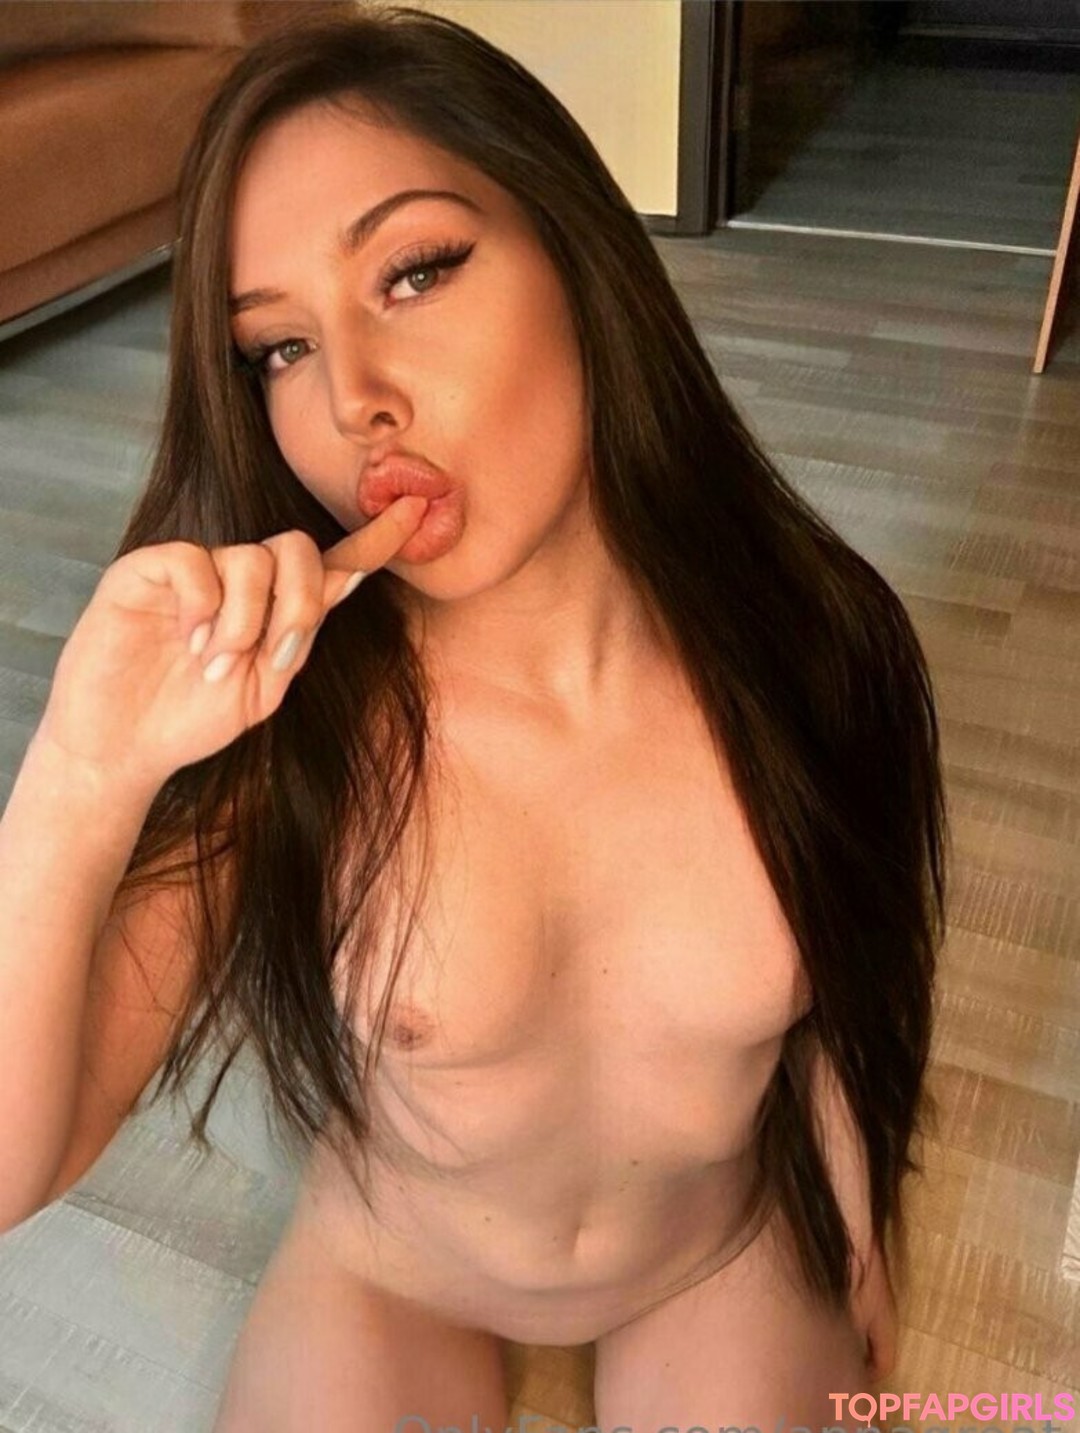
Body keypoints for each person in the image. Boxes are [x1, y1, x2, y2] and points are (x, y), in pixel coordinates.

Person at [0, 5, 949, 1428]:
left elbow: (862, 973)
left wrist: (861, 1207)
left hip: (719, 1253)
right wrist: (84, 769)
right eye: (278, 349)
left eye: (415, 272)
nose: (354, 402)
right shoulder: (288, 732)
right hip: (398, 1274)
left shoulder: (818, 644)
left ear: (578, 250)